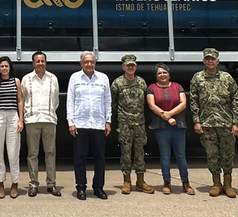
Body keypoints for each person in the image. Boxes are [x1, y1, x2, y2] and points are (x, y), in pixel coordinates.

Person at [188, 47, 238, 197]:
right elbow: (193, 102)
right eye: (207, 59)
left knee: (228, 155)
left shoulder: (227, 78)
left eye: (213, 59)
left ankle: (228, 184)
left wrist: (236, 122)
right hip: (207, 124)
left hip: (226, 123)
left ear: (217, 61)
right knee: (212, 154)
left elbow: (235, 101)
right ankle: (216, 183)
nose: (210, 61)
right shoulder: (197, 78)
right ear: (204, 61)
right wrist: (196, 121)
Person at [67, 50, 111, 200]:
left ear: (95, 63)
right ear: (81, 63)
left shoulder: (103, 78)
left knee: (100, 158)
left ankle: (98, 187)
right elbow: (70, 101)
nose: (89, 64)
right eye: (86, 62)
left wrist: (108, 121)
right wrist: (71, 122)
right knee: (80, 158)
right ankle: (81, 188)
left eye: (92, 61)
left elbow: (107, 101)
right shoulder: (74, 78)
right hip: (80, 123)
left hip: (98, 124)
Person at [146, 63, 194, 195]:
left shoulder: (177, 87)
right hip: (160, 127)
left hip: (179, 126)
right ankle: (166, 182)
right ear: (156, 76)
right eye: (159, 73)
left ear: (169, 74)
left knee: (181, 155)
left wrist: (170, 114)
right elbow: (152, 105)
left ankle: (186, 182)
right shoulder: (151, 88)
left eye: (164, 72)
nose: (162, 75)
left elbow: (183, 103)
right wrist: (166, 117)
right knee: (165, 155)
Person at [111, 54, 152, 194]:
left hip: (139, 123)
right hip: (124, 124)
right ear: (123, 67)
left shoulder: (141, 82)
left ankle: (140, 181)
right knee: (126, 153)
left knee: (140, 152)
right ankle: (126, 181)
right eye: (128, 65)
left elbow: (145, 103)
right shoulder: (117, 83)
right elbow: (113, 104)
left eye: (132, 65)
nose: (130, 67)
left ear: (136, 67)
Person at [21, 50, 61, 196]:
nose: (40, 64)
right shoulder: (26, 79)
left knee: (50, 153)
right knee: (32, 153)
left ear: (45, 62)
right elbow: (23, 99)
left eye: (42, 61)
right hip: (32, 120)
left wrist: (49, 112)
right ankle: (33, 184)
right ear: (33, 63)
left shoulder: (53, 78)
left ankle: (51, 184)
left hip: (49, 119)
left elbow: (55, 100)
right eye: (37, 61)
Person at [0, 56, 24, 199]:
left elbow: (20, 100)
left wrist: (21, 119)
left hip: (13, 116)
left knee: (13, 151)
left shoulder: (16, 82)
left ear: (10, 68)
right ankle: (0, 184)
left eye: (6, 66)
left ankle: (14, 183)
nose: (4, 68)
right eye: (2, 66)